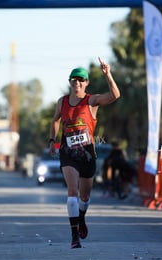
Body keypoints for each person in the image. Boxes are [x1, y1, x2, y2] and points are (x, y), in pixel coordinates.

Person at [49, 57, 120, 249]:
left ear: (86, 83)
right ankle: (74, 236)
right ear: (70, 82)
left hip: (87, 154)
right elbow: (55, 121)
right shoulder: (62, 102)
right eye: (74, 80)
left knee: (85, 197)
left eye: (81, 80)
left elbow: (115, 95)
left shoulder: (92, 101)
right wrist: (52, 140)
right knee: (72, 191)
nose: (77, 83)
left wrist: (108, 74)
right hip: (67, 153)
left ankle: (81, 218)